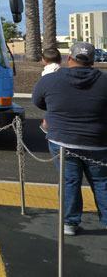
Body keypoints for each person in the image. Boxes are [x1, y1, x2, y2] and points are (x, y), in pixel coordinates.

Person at [32, 41, 107, 236]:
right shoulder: (104, 81)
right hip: (98, 141)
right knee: (101, 182)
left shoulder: (50, 80)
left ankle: (69, 223)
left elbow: (38, 101)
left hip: (62, 141)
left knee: (69, 181)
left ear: (68, 58)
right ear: (93, 60)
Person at [38, 48, 62, 133]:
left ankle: (46, 124)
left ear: (44, 61)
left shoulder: (45, 71)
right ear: (61, 60)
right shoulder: (60, 69)